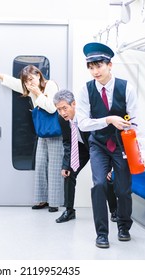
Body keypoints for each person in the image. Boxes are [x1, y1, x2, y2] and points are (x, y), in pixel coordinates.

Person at [76, 42, 138, 248]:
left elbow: (137, 121)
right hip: (99, 145)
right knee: (100, 185)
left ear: (109, 65)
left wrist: (138, 150)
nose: (95, 71)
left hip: (122, 146)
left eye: (99, 66)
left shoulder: (126, 87)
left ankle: (123, 226)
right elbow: (83, 124)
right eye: (91, 67)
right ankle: (101, 233)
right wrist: (108, 119)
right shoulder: (86, 90)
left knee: (122, 190)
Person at [0, 62, 63, 212]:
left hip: (55, 132)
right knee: (40, 164)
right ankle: (41, 199)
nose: (28, 83)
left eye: (31, 79)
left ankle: (54, 202)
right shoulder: (28, 87)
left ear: (38, 75)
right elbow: (13, 82)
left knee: (54, 166)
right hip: (42, 132)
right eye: (26, 81)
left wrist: (37, 93)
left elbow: (51, 108)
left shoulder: (50, 85)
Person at [53, 89, 117, 223]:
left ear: (74, 104)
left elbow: (106, 138)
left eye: (65, 108)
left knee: (106, 177)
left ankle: (114, 210)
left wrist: (109, 166)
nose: (62, 113)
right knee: (69, 174)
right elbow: (67, 142)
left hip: (98, 147)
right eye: (59, 109)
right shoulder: (61, 119)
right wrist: (66, 165)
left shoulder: (88, 115)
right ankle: (69, 211)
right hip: (81, 148)